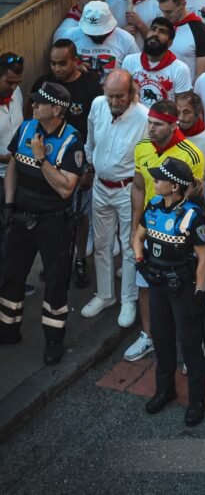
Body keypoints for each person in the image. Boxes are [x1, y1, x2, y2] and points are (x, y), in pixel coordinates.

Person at [0, 82, 84, 364]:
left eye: (40, 103)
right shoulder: (26, 128)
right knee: (11, 276)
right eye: (33, 101)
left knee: (55, 285)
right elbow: (13, 165)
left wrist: (41, 159)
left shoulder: (72, 141)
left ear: (57, 109)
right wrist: (10, 205)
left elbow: (65, 189)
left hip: (53, 225)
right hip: (21, 218)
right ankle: (8, 329)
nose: (33, 105)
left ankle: (53, 341)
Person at [132, 157, 205, 427]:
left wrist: (200, 293)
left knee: (190, 345)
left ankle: (197, 400)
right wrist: (141, 263)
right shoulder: (153, 206)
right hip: (157, 283)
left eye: (159, 178)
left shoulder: (192, 214)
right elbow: (137, 237)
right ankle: (165, 390)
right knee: (162, 339)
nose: (154, 182)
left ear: (175, 186)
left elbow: (203, 258)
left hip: (183, 288)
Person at [127, 100, 205, 362]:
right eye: (149, 122)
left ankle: (192, 346)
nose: (151, 128)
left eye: (158, 124)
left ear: (173, 125)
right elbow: (138, 188)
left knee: (184, 289)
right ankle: (148, 337)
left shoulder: (191, 154)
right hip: (150, 227)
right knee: (146, 285)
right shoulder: (141, 148)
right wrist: (135, 227)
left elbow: (195, 199)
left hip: (179, 236)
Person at [31, 39, 103, 289]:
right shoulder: (43, 84)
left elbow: (97, 129)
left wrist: (89, 168)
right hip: (46, 157)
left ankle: (80, 258)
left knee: (79, 216)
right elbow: (31, 120)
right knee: (50, 216)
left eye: (62, 63)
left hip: (77, 158)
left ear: (75, 61)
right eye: (53, 63)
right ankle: (53, 261)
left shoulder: (90, 88)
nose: (57, 68)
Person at [80, 70, 148, 328]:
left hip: (128, 189)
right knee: (101, 243)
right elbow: (90, 139)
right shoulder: (98, 105)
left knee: (130, 246)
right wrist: (89, 167)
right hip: (100, 186)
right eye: (109, 96)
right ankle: (105, 295)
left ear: (131, 93)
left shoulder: (143, 118)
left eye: (119, 96)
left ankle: (128, 300)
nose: (113, 102)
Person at [121, 17, 193, 108]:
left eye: (162, 32)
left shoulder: (180, 69)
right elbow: (123, 95)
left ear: (169, 43)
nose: (155, 34)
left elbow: (181, 108)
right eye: (153, 29)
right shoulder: (129, 61)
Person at [62, 0, 140, 82]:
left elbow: (137, 71)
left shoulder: (126, 40)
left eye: (100, 33)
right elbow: (58, 67)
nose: (96, 36)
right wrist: (74, 69)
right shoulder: (70, 36)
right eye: (91, 33)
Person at [0, 53, 24, 271]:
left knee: (13, 231)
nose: (13, 87)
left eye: (17, 83)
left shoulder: (16, 93)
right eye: (9, 82)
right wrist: (9, 156)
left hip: (16, 174)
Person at [157, 0, 205, 80]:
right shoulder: (160, 26)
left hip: (186, 92)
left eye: (169, 12)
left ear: (183, 4)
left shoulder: (200, 31)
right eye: (162, 11)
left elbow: (202, 77)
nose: (165, 16)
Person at [176, 91, 205, 173]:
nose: (181, 118)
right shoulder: (170, 134)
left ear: (198, 113)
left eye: (186, 112)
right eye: (178, 112)